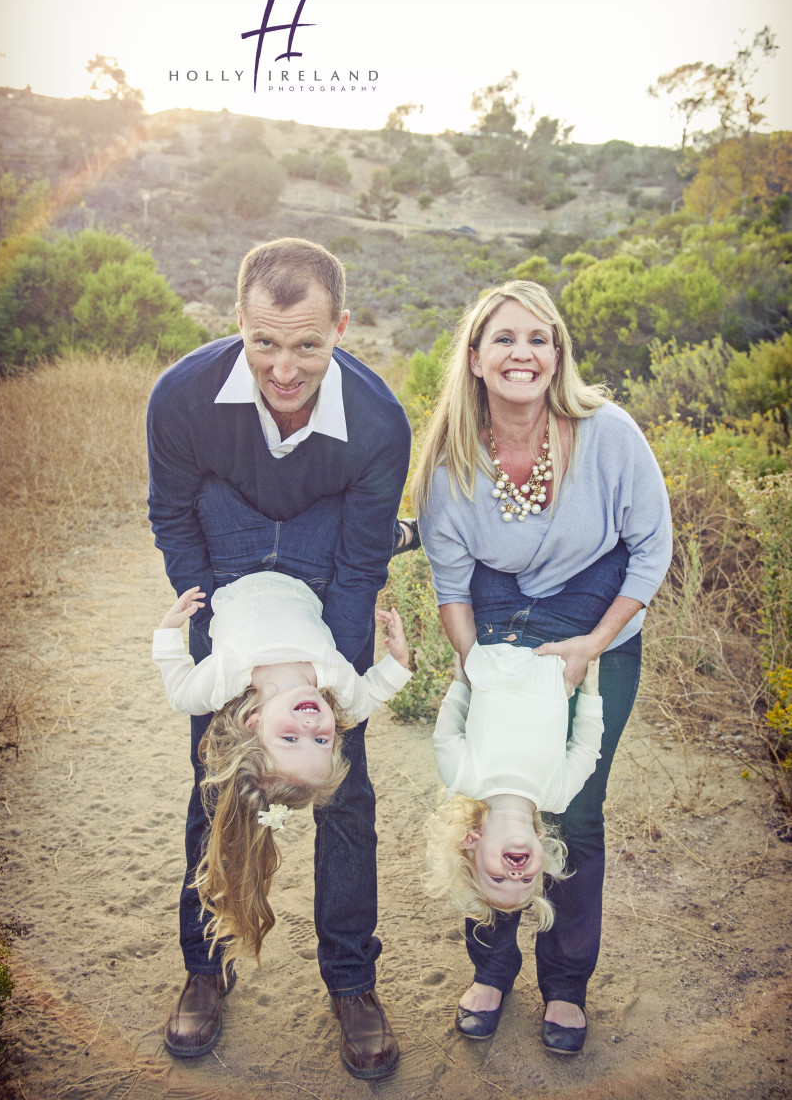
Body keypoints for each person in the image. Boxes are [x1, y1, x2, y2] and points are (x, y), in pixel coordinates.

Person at [146, 237, 411, 1079]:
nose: (284, 368)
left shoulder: (377, 421)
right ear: (239, 324)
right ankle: (205, 965)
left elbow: (364, 566)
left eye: (307, 344)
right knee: (218, 775)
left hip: (324, 567)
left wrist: (324, 684)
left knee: (344, 783)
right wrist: (207, 616)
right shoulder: (183, 398)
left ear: (341, 326)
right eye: (264, 341)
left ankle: (351, 981)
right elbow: (172, 515)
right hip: (225, 563)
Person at [412, 279, 672, 1054]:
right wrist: (475, 673)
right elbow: (450, 586)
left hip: (594, 627)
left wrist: (592, 650)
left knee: (575, 812)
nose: (522, 353)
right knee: (486, 803)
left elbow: (652, 549)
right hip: (493, 624)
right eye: (504, 339)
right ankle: (490, 969)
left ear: (557, 354)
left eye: (538, 338)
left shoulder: (608, 434)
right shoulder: (452, 456)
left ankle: (565, 982)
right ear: (476, 356)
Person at [151, 576, 411, 981]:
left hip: (234, 574)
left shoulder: (227, 678)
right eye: (322, 739)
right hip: (303, 576)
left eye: (290, 738)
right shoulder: (334, 682)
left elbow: (180, 692)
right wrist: (398, 661)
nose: (310, 723)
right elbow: (367, 698)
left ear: (253, 725)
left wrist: (169, 630)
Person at [425, 649, 601, 942]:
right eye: (528, 880)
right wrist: (591, 694)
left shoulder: (463, 777)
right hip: (553, 656)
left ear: (471, 842)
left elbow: (446, 732)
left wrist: (461, 682)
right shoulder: (558, 794)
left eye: (498, 879)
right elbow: (586, 750)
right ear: (541, 846)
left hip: (497, 645)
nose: (516, 876)